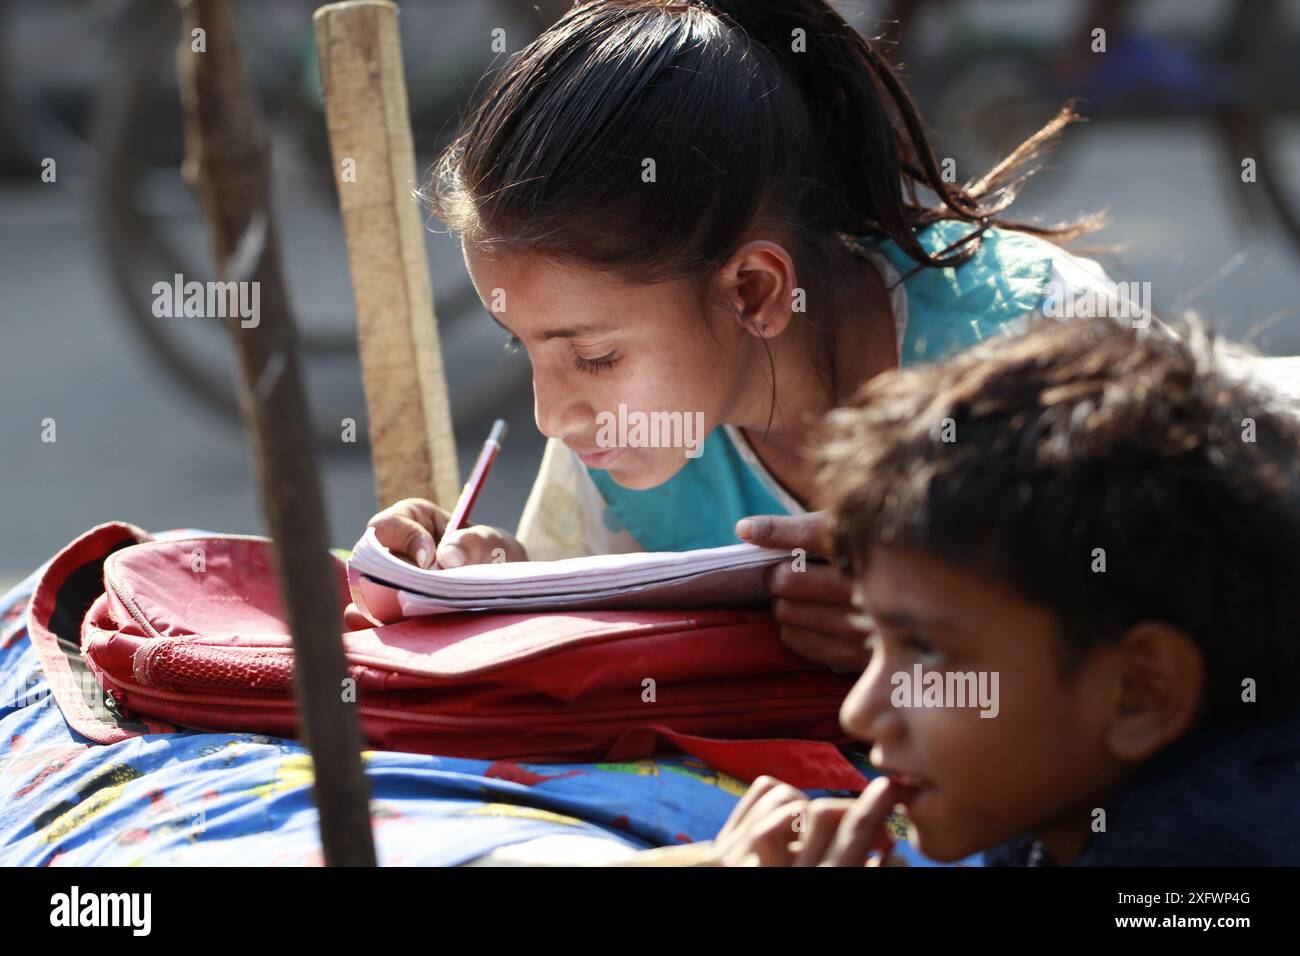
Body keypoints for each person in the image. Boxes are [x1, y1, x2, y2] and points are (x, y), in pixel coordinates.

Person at [347, 0, 1124, 673]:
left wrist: (936, 643)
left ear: (755, 290)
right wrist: (490, 584)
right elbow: (575, 619)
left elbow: (1185, 644)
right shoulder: (626, 436)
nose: (554, 415)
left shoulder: (1041, 351)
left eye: (595, 355)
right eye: (526, 346)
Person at [714, 316, 1300, 865]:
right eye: (876, 641)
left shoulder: (1207, 855)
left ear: (1140, 691)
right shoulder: (1058, 805)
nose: (861, 712)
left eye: (927, 650)